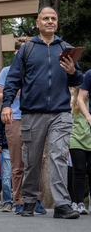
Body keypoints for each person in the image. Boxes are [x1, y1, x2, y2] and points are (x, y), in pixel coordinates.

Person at [1, 6, 83, 219]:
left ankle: (62, 205)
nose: (49, 21)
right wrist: (7, 105)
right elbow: (12, 80)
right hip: (32, 112)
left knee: (58, 157)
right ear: (37, 23)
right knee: (32, 159)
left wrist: (73, 72)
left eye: (53, 18)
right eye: (45, 18)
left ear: (57, 22)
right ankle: (28, 201)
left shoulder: (66, 48)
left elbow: (79, 80)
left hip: (60, 112)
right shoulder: (28, 49)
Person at [0, 37, 46, 215]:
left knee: (37, 161)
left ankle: (36, 200)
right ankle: (19, 200)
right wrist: (15, 90)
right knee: (18, 163)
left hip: (35, 116)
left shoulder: (36, 70)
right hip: (15, 117)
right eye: (22, 50)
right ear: (17, 52)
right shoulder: (7, 71)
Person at [69, 86, 91, 214]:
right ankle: (79, 202)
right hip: (76, 139)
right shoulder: (73, 102)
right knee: (79, 171)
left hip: (90, 140)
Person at [77, 70, 91, 213]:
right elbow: (80, 98)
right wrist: (88, 117)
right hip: (80, 137)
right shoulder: (89, 74)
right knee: (80, 170)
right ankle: (79, 202)